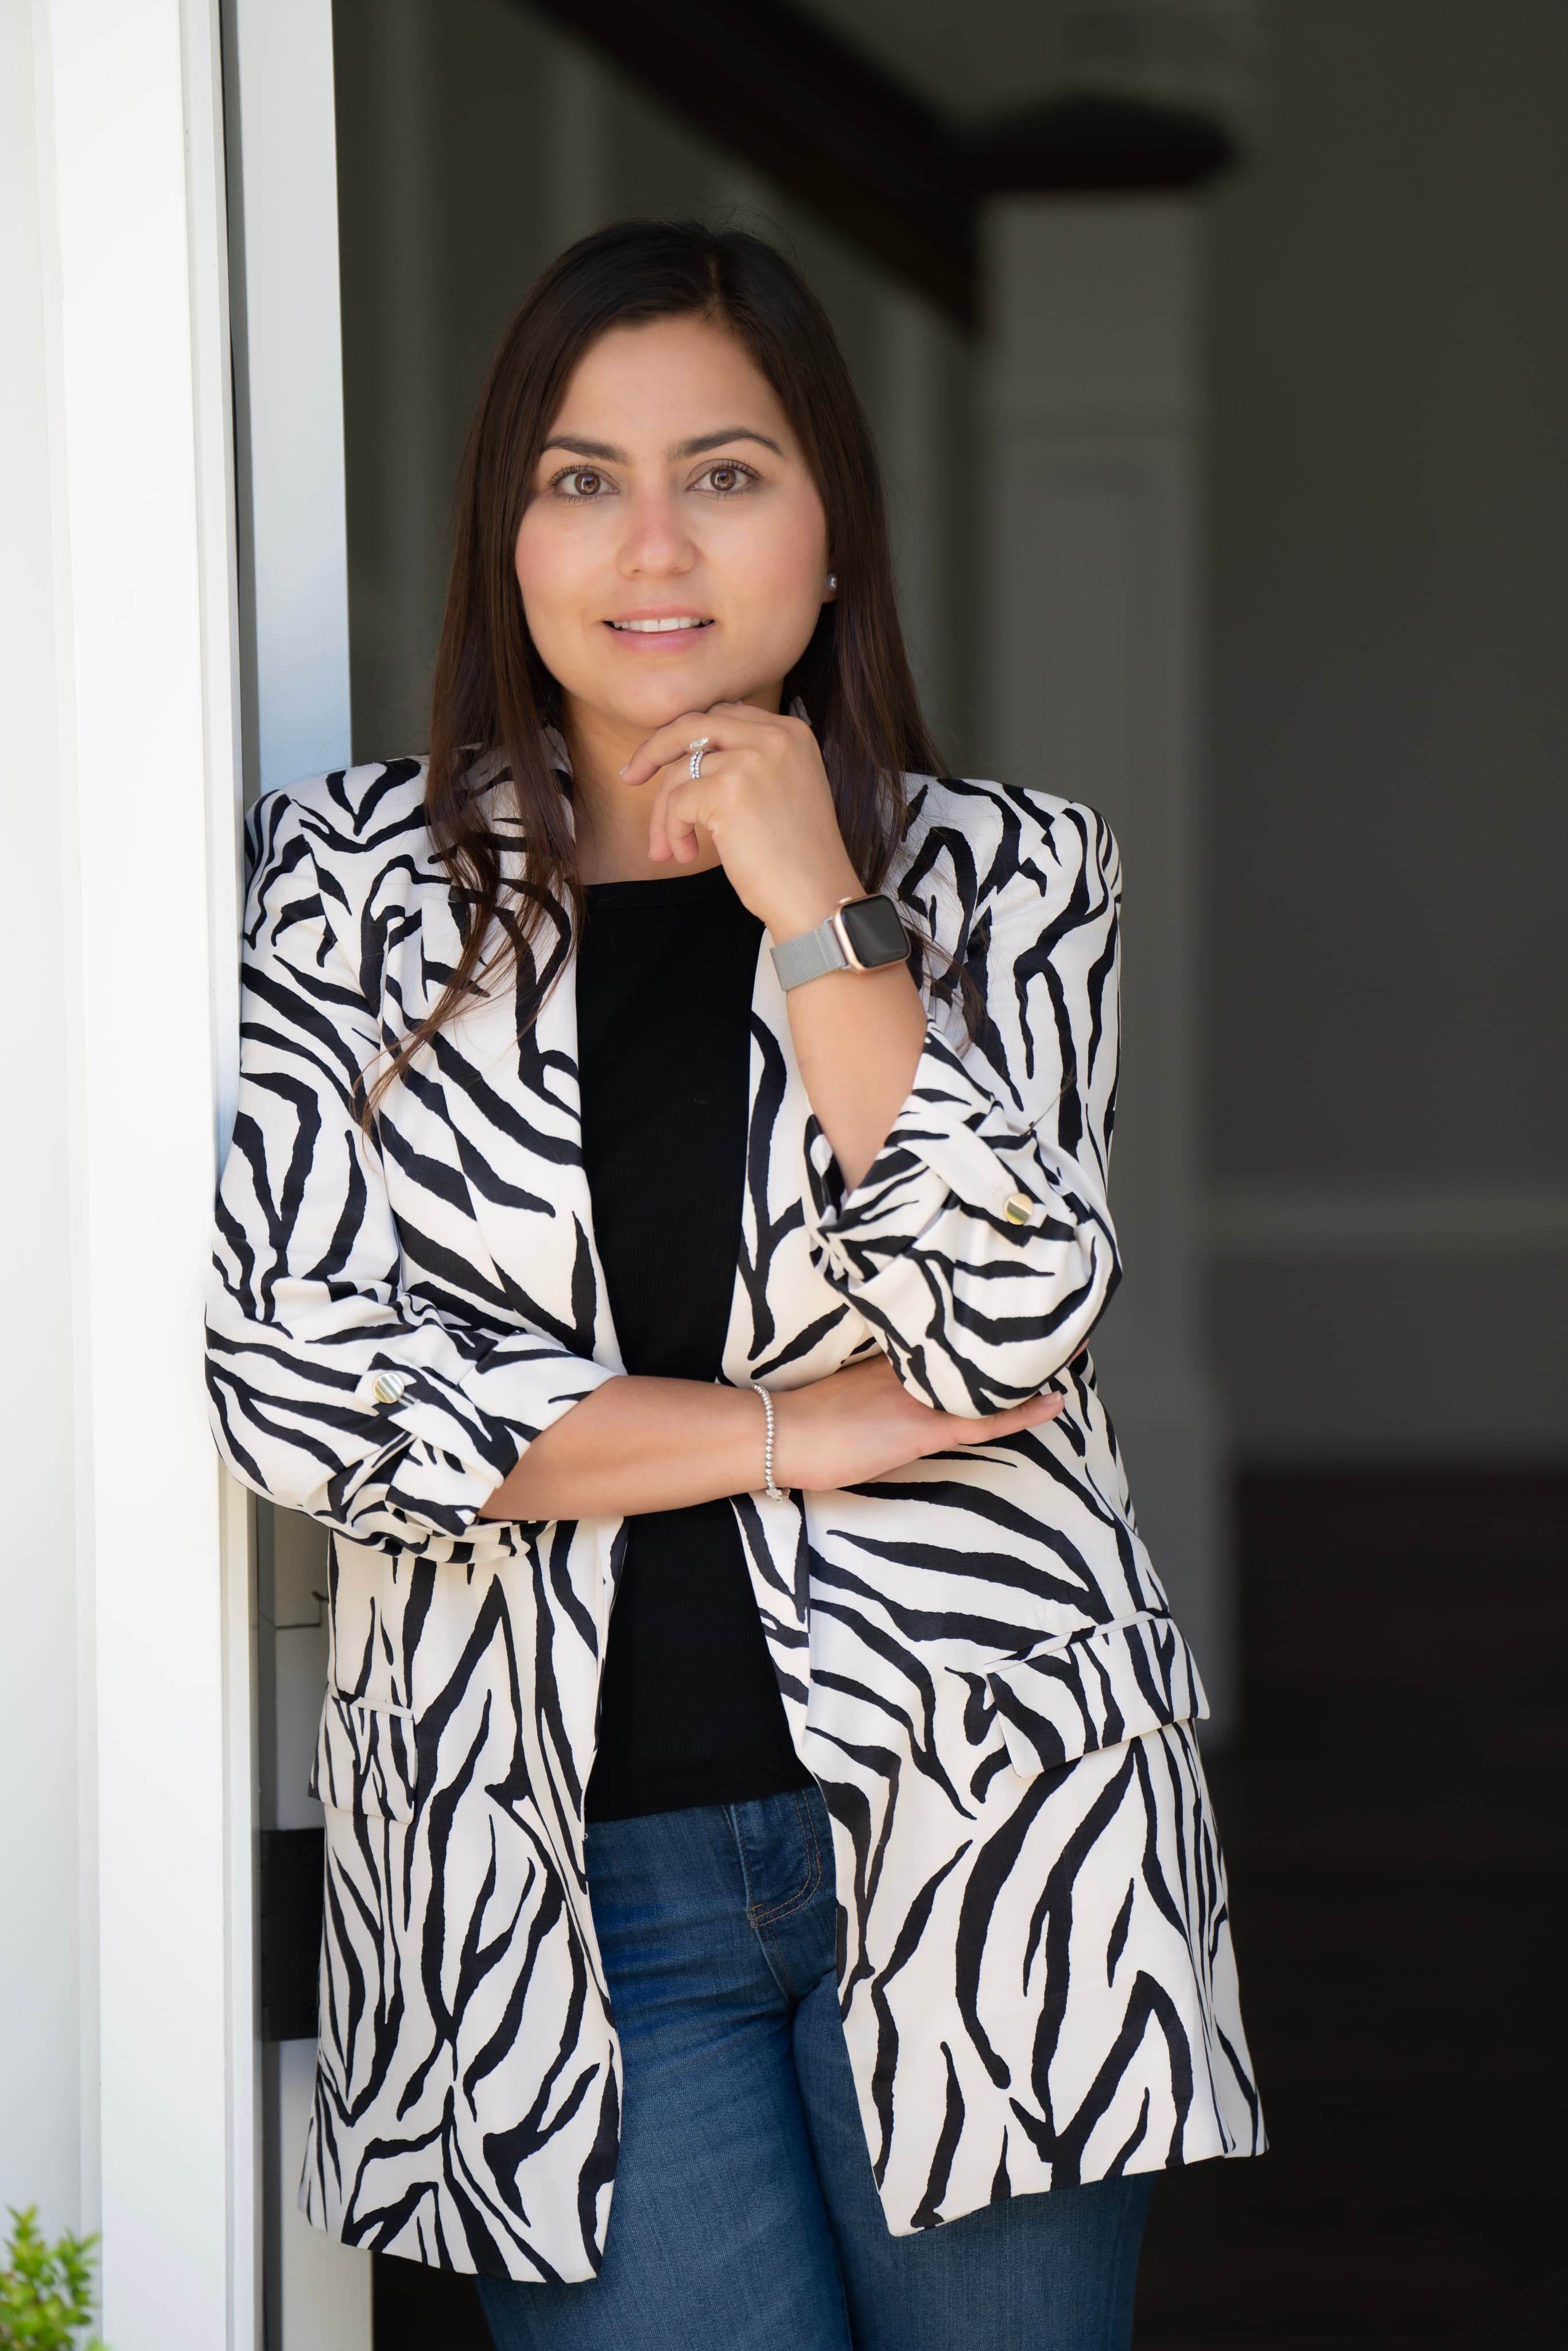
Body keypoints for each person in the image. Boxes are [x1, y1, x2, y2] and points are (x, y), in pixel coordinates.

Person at [207, 219, 1262, 2351]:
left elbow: (1005, 1316)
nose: (649, 540)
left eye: (724, 468)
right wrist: (796, 1428)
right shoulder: (344, 890)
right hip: (554, 1892)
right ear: (510, 533)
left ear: (828, 529)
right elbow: (308, 1396)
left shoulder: (1004, 874)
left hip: (989, 1840)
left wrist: (810, 896)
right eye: (579, 476)